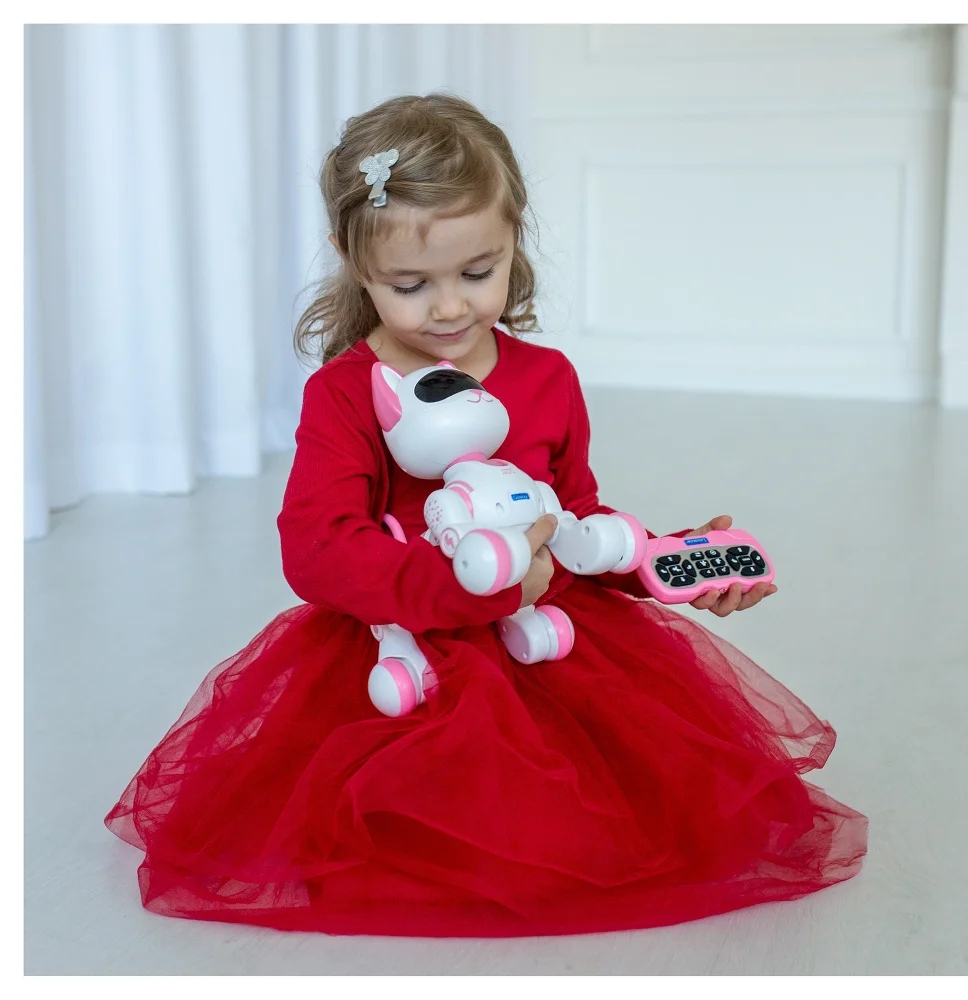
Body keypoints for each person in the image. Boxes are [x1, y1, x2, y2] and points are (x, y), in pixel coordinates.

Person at [105, 94, 867, 937]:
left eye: (478, 272)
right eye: (411, 285)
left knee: (602, 816)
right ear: (354, 263)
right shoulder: (346, 395)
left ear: (513, 242)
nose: (449, 309)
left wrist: (657, 559)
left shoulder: (546, 378)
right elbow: (319, 548)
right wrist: (468, 586)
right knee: (413, 826)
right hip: (404, 643)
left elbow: (573, 517)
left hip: (549, 635)